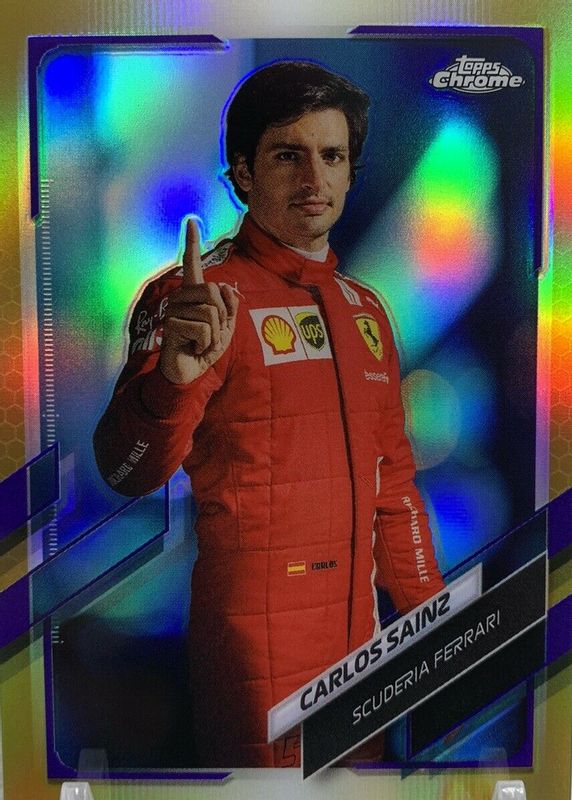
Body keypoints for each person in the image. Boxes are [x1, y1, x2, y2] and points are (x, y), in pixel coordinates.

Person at [93, 60, 445, 768]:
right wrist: (171, 383)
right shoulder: (195, 302)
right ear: (243, 174)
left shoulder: (367, 311)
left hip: (361, 651)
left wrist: (430, 619)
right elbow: (125, 470)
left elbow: (395, 487)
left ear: (351, 173)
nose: (314, 179)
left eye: (332, 156)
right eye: (289, 156)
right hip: (253, 653)